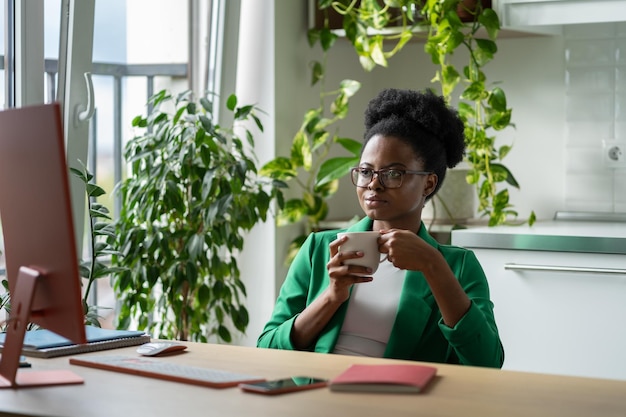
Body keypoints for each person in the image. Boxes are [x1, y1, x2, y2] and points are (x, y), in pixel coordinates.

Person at [257, 88, 504, 368]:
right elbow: (266, 347)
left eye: (393, 173)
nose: (374, 183)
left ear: (428, 183)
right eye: (365, 171)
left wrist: (432, 266)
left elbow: (487, 362)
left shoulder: (456, 266)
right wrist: (331, 296)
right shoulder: (318, 249)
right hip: (317, 399)